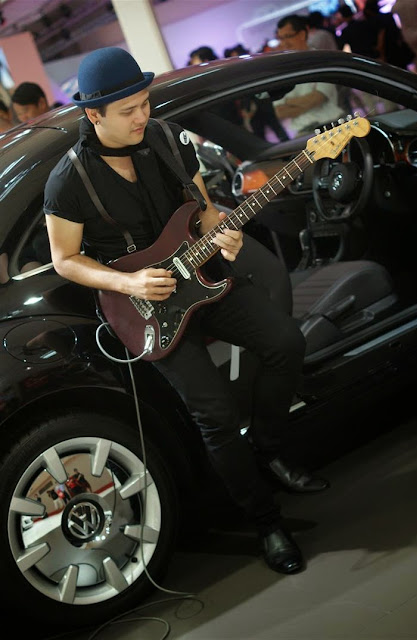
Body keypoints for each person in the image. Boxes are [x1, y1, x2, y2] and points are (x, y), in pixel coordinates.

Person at [44, 46, 329, 575]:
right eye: (127, 110)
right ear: (94, 115)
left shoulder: (170, 140)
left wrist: (223, 234)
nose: (142, 116)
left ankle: (268, 448)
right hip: (146, 308)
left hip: (204, 280)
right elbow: (65, 259)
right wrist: (127, 281)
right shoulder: (70, 180)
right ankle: (267, 522)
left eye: (144, 103)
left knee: (286, 342)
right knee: (215, 416)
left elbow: (203, 212)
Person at [273, 15, 343, 136]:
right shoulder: (282, 69)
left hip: (331, 127)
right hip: (303, 133)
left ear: (302, 34)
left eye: (288, 36)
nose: (284, 43)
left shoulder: (321, 60)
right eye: (281, 38)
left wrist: (287, 101)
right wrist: (308, 102)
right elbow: (279, 111)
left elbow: (318, 98)